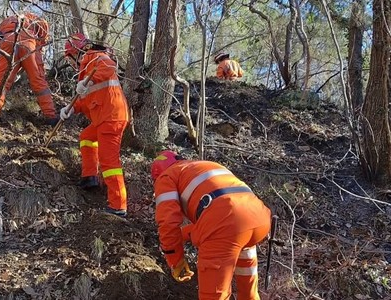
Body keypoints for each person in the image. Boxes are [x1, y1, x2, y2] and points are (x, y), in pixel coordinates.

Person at [151, 150, 271, 300]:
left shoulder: (166, 176)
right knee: (248, 293)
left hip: (226, 223)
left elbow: (168, 223)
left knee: (213, 296)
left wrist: (176, 260)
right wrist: (182, 236)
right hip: (258, 218)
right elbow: (213, 217)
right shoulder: (202, 166)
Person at [60, 33, 129, 217]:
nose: (70, 62)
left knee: (110, 162)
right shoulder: (86, 67)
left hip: (111, 118)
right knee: (86, 137)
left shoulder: (95, 57)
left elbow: (108, 67)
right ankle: (90, 176)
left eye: (69, 57)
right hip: (104, 118)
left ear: (76, 52)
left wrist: (89, 80)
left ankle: (118, 205)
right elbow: (87, 99)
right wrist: (71, 108)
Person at [0, 13, 58, 125]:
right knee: (38, 81)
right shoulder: (37, 19)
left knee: (0, 81)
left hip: (9, 40)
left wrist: (13, 70)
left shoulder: (6, 21)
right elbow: (42, 37)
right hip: (30, 42)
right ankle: (51, 117)